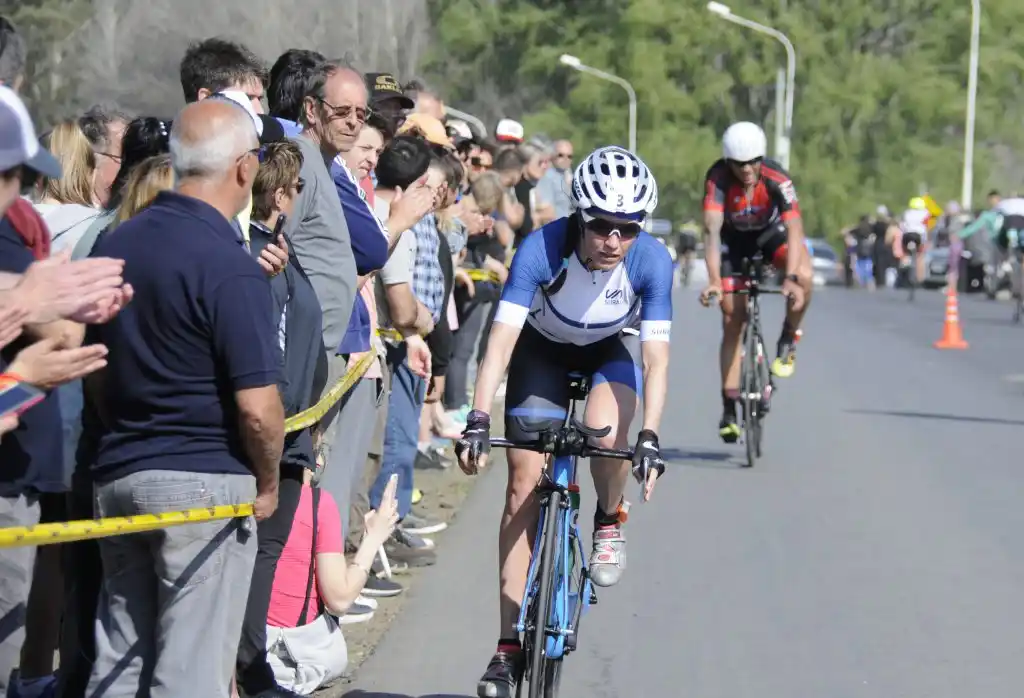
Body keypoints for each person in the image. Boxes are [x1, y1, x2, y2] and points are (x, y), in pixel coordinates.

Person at [455, 145, 671, 698]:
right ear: (579, 216)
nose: (613, 241)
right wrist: (479, 416)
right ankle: (506, 649)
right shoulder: (541, 249)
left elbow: (655, 358)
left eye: (627, 229)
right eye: (601, 226)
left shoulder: (651, 261)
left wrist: (649, 436)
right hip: (542, 353)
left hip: (607, 354)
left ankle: (607, 519)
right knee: (521, 486)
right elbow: (500, 340)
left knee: (607, 438)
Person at [698, 121, 812, 443]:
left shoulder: (778, 178)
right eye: (739, 164)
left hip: (770, 237)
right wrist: (713, 280)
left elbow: (794, 228)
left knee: (804, 277)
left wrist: (789, 278)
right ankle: (729, 407)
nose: (746, 169)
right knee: (733, 318)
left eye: (752, 162)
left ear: (762, 158)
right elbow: (711, 231)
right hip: (734, 244)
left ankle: (788, 337)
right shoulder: (717, 178)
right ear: (728, 162)